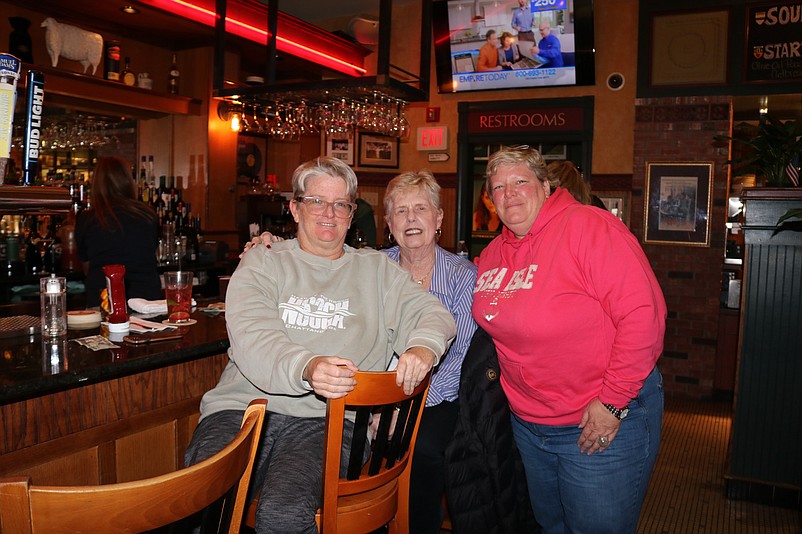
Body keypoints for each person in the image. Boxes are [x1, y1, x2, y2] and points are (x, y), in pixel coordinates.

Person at [185, 157, 456, 534]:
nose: (329, 213)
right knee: (202, 503)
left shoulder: (376, 271)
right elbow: (253, 336)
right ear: (295, 208)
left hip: (329, 420)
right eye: (316, 201)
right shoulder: (262, 262)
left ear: (351, 214)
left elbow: (433, 314)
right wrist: (308, 367)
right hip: (243, 408)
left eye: (340, 204)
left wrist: (423, 347)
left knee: (283, 514)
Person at [472, 145, 666, 534]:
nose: (508, 193)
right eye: (497, 187)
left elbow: (644, 316)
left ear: (545, 186)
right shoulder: (493, 253)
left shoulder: (588, 227)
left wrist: (612, 402)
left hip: (599, 421)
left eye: (520, 182)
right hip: (530, 426)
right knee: (551, 526)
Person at [382, 170, 477, 534]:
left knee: (419, 450)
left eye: (420, 208)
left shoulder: (461, 276)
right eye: (400, 211)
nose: (410, 219)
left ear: (438, 219)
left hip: (438, 396)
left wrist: (405, 404)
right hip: (377, 392)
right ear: (389, 222)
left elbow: (460, 358)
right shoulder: (375, 268)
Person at [75, 156, 161, 308]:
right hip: (146, 297)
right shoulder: (147, 215)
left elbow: (86, 266)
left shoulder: (88, 219)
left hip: (104, 298)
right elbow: (148, 253)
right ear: (128, 181)